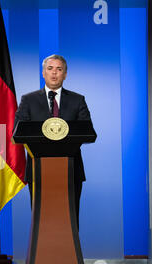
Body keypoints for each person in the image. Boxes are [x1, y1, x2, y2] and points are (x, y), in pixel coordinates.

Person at [14, 54, 93, 229]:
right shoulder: (28, 100)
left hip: (71, 170)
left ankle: (69, 257)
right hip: (38, 170)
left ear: (65, 74)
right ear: (43, 73)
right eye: (50, 69)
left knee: (69, 222)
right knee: (41, 223)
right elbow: (18, 131)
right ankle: (40, 257)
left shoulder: (77, 100)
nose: (54, 73)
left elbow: (87, 131)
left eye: (59, 69)